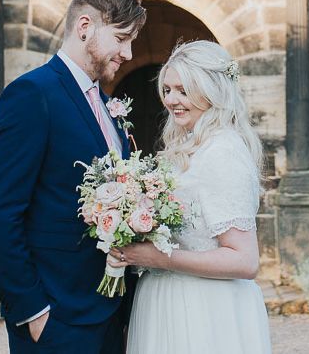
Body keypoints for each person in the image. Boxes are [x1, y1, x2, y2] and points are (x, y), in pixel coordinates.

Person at [0, 0, 146, 353]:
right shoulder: (32, 95)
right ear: (85, 27)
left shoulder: (108, 106)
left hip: (111, 313)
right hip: (58, 319)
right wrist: (33, 312)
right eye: (121, 38)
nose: (129, 53)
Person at [108, 40, 272, 354]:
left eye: (183, 91)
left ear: (211, 91)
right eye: (167, 90)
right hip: (163, 300)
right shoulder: (186, 147)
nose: (171, 100)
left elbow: (244, 259)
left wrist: (157, 258)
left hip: (205, 310)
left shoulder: (223, 151)